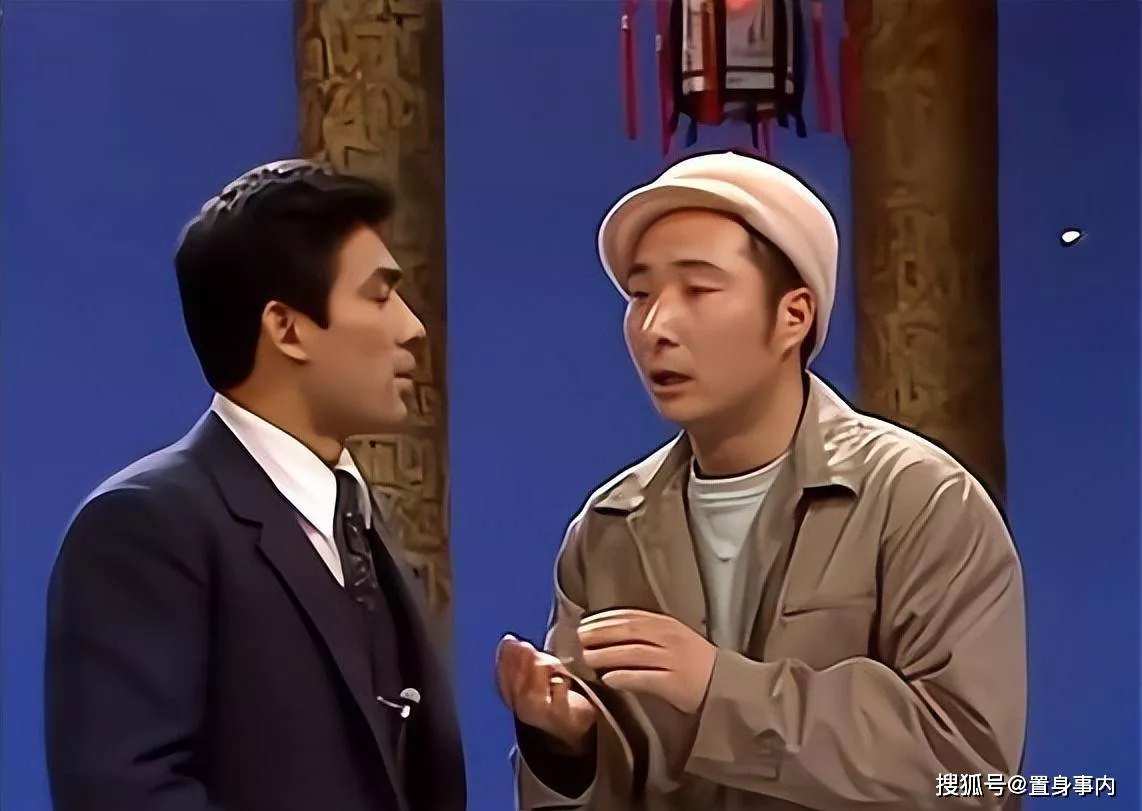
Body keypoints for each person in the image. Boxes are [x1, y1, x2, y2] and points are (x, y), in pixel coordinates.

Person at [496, 151, 1026, 810]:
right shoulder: (608, 529)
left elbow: (971, 770)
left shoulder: (920, 501)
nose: (656, 327)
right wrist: (565, 748)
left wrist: (720, 691)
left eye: (698, 290)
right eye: (641, 295)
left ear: (793, 317)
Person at [45, 160, 466, 811]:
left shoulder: (357, 522)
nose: (413, 328)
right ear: (286, 327)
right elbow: (127, 792)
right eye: (380, 296)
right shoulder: (146, 527)